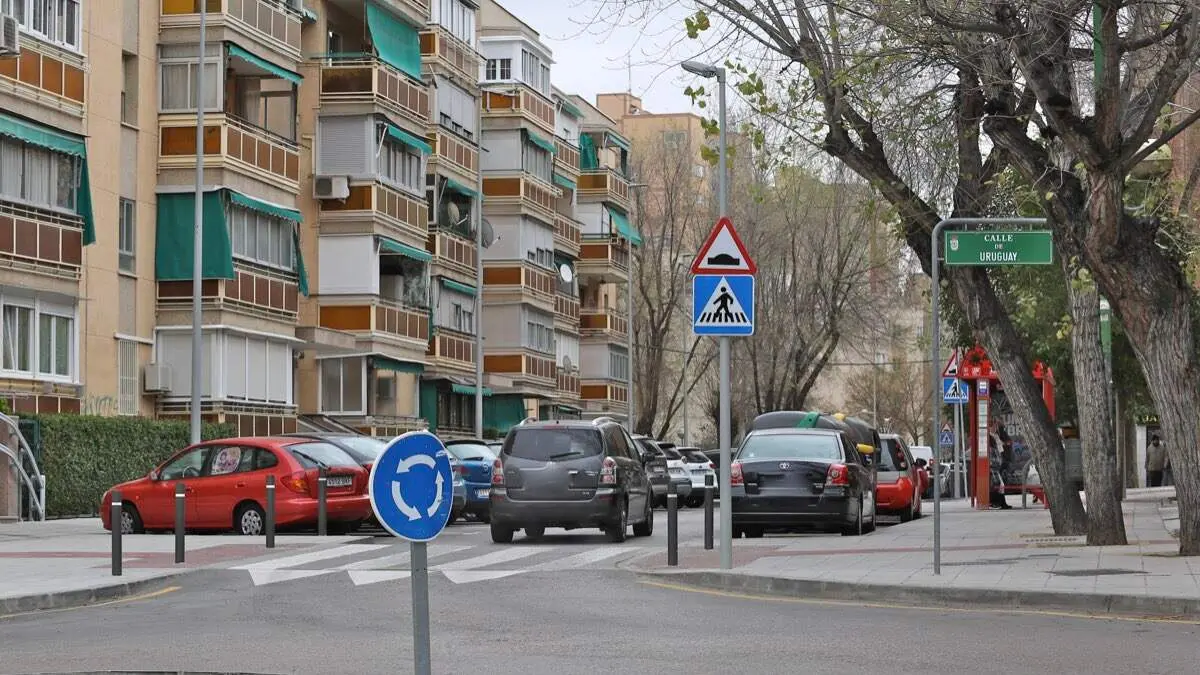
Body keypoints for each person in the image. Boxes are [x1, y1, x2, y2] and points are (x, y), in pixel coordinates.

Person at [988, 422, 1012, 509]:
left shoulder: (996, 436)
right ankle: (994, 502)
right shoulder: (989, 437)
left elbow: (1001, 445)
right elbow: (992, 450)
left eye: (995, 427)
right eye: (992, 426)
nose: (994, 428)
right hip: (993, 463)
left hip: (1000, 460)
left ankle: (1002, 503)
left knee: (1001, 483)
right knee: (998, 483)